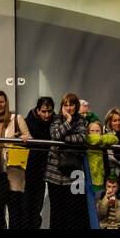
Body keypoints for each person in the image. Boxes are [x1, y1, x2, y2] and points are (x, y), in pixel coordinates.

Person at [0, 90, 29, 230]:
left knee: (15, 212)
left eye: (2, 101)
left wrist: (24, 139)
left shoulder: (17, 119)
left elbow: (29, 139)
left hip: (14, 172)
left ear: (6, 102)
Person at [46, 93, 88, 229]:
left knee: (73, 213)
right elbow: (55, 135)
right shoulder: (56, 118)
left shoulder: (81, 120)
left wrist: (63, 139)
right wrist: (68, 122)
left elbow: (82, 138)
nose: (69, 107)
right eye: (66, 105)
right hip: (54, 174)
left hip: (74, 174)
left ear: (76, 106)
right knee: (56, 212)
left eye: (71, 105)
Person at [23, 97, 54, 229]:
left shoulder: (55, 121)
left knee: (38, 206)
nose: (47, 115)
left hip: (47, 168)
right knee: (27, 206)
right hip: (30, 169)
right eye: (44, 111)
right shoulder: (28, 121)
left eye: (49, 111)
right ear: (38, 110)